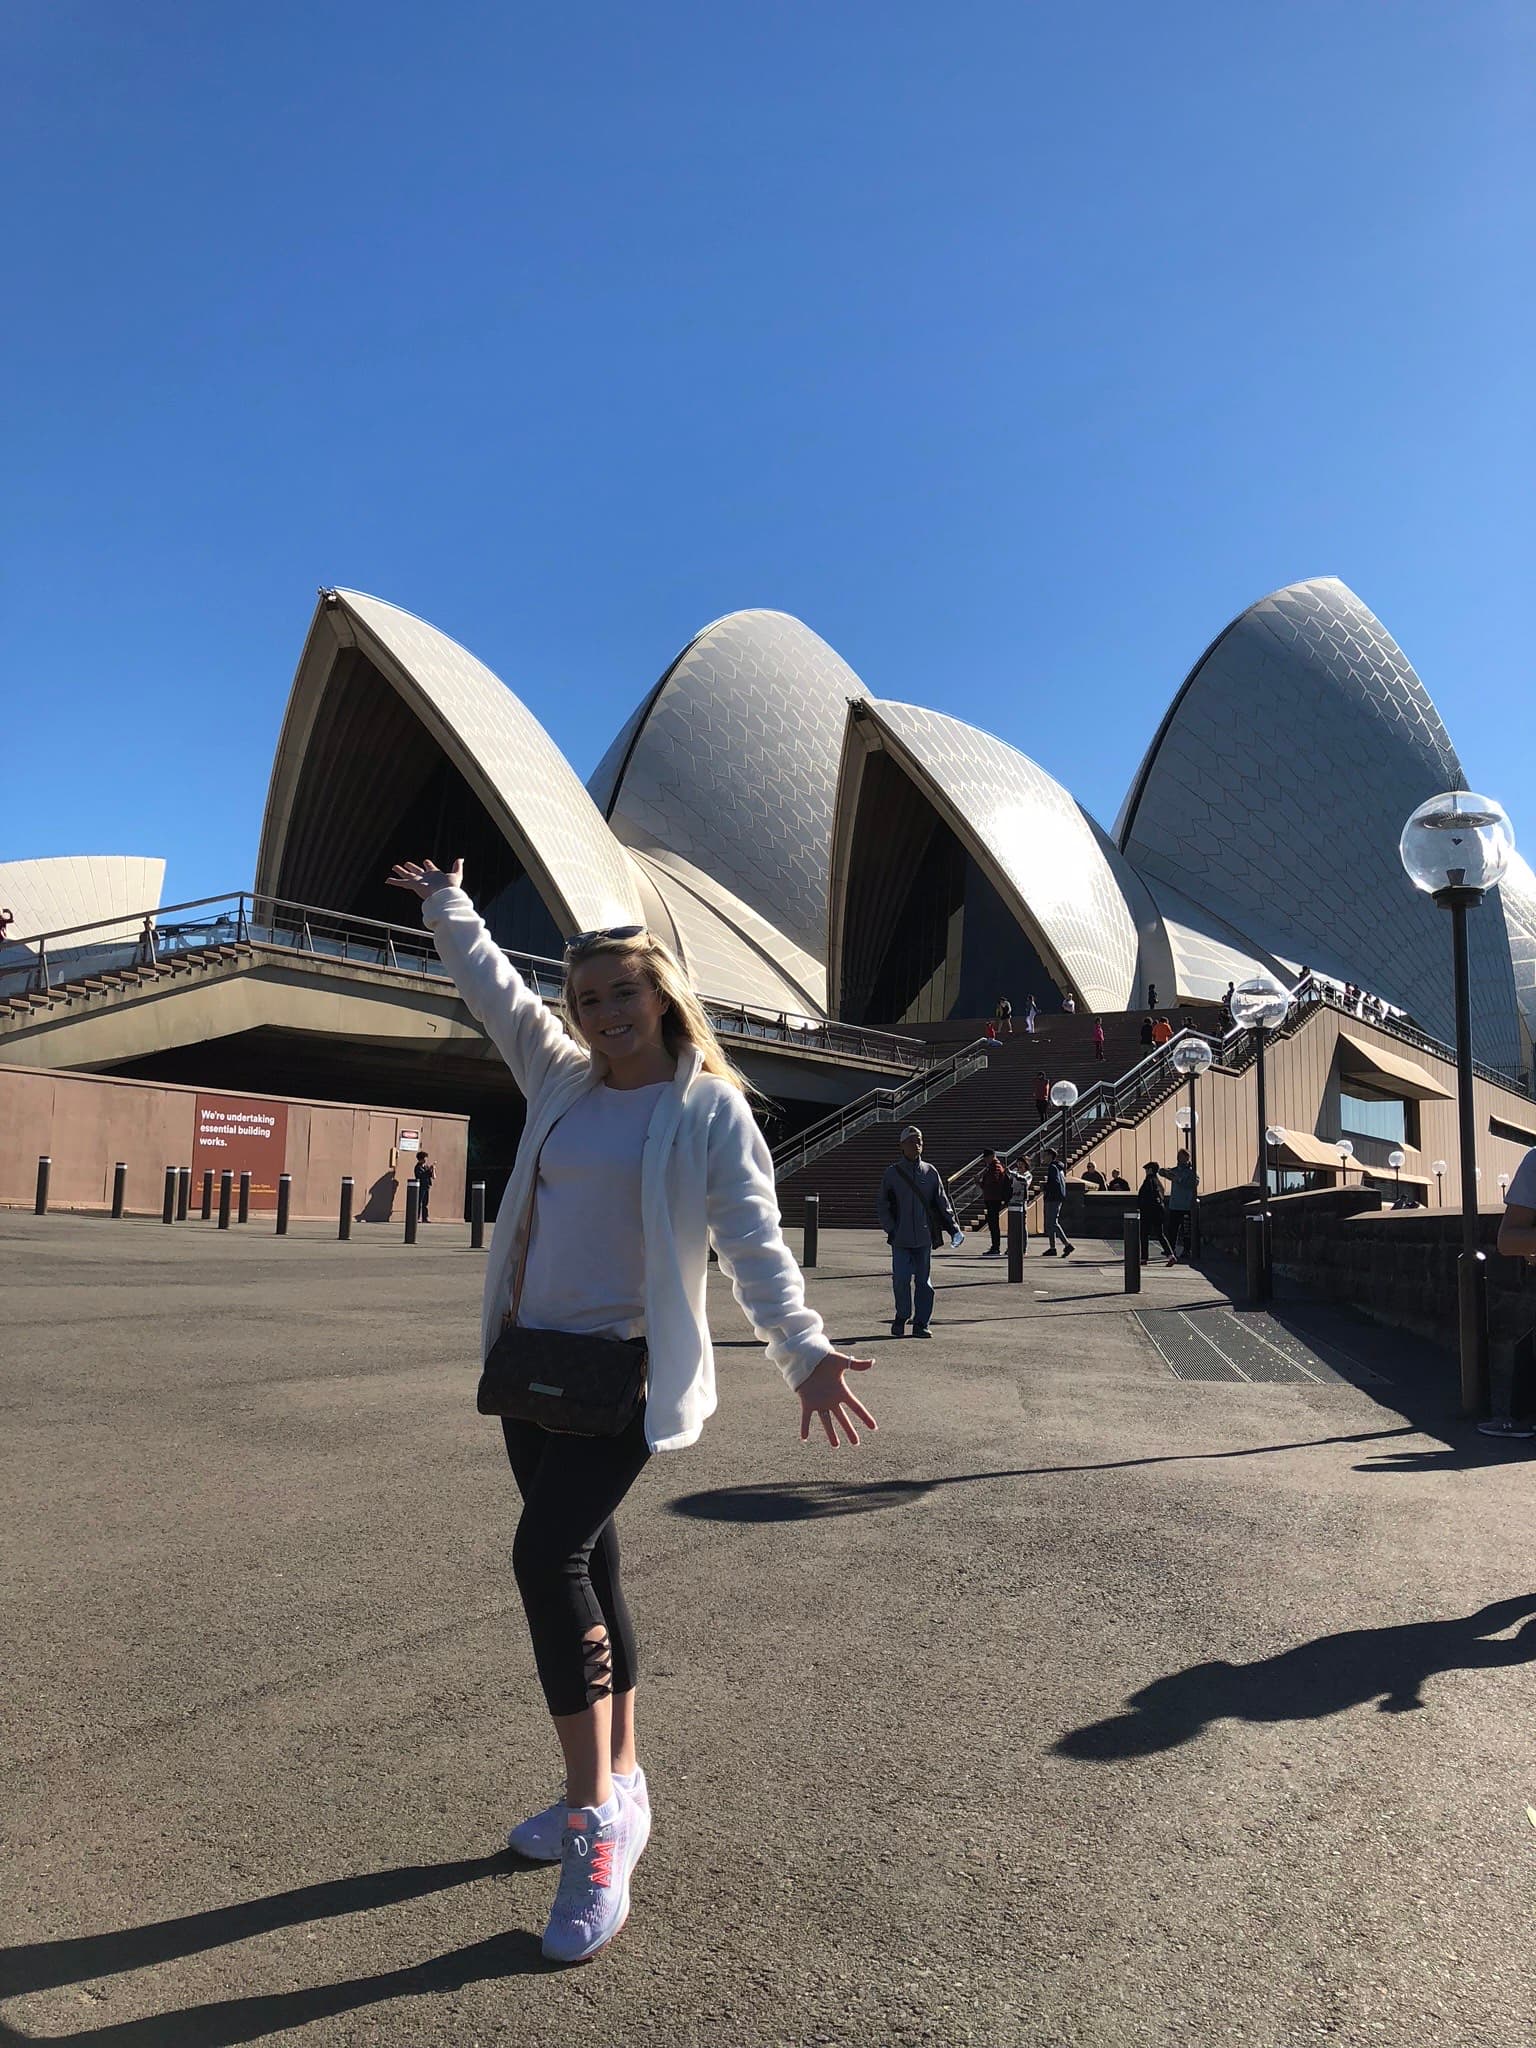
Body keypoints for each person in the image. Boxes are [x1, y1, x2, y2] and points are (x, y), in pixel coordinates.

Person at [386, 856, 875, 1966]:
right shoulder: (560, 1079)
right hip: (530, 1366)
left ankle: (594, 1819)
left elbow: (751, 1240)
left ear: (663, 994)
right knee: (592, 1562)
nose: (602, 1012)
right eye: (586, 996)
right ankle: (623, 1781)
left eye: (622, 992)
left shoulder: (705, 1108)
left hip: (620, 1373)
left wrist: (799, 1350)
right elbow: (496, 993)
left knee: (544, 1556)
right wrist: (449, 909)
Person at [878, 1126, 962, 1336]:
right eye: (912, 1141)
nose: (917, 1145)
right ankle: (902, 1316)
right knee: (901, 1279)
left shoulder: (930, 1172)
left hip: (924, 1237)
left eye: (920, 1141)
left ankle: (921, 1323)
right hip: (901, 1237)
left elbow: (942, 1202)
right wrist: (891, 1228)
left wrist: (954, 1229)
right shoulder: (893, 1173)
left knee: (924, 1282)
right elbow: (883, 1204)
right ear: (902, 1146)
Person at [1161, 1148, 1197, 1262]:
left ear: (1187, 1158)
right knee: (1172, 1230)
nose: (1179, 1159)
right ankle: (1171, 1250)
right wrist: (1167, 1173)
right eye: (1178, 1156)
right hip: (1174, 1205)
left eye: (1181, 1157)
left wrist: (1179, 1180)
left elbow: (1193, 1183)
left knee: (1186, 1230)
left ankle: (1187, 1250)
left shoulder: (1192, 1172)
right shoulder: (1175, 1170)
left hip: (1186, 1206)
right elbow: (1161, 1171)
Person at [1137, 1161, 1175, 1261]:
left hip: (1148, 1211)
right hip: (1159, 1211)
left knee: (1144, 1234)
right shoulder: (1158, 1182)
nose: (1145, 1171)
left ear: (1150, 1170)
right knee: (1160, 1234)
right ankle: (1170, 1255)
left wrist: (1141, 1207)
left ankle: (1144, 1258)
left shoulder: (1148, 1181)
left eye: (1146, 1169)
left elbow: (1144, 1196)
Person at [1040, 1151, 1075, 1257]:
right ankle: (1052, 1248)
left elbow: (1054, 1182)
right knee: (1051, 1223)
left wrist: (1046, 1188)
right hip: (1057, 1197)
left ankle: (1067, 1244)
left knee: (1052, 1223)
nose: (1043, 1158)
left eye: (1045, 1156)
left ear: (1050, 1156)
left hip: (1052, 1198)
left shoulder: (1052, 1168)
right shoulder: (1058, 1167)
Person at [980, 1147, 1013, 1258]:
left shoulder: (995, 1167)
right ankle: (995, 1246)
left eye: (986, 1158)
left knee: (993, 1223)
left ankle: (996, 1247)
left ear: (991, 1156)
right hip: (992, 1198)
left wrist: (981, 1183)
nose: (985, 1160)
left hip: (994, 1198)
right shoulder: (993, 1166)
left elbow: (992, 1183)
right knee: (992, 1223)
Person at [412, 1149, 436, 1222]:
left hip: (426, 1186)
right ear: (421, 1159)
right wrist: (430, 1169)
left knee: (425, 1203)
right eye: (425, 1158)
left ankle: (425, 1217)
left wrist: (433, 1169)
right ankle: (418, 1217)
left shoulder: (426, 1167)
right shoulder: (418, 1167)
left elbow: (433, 1176)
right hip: (421, 1186)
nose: (426, 1159)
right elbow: (422, 1175)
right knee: (419, 1202)